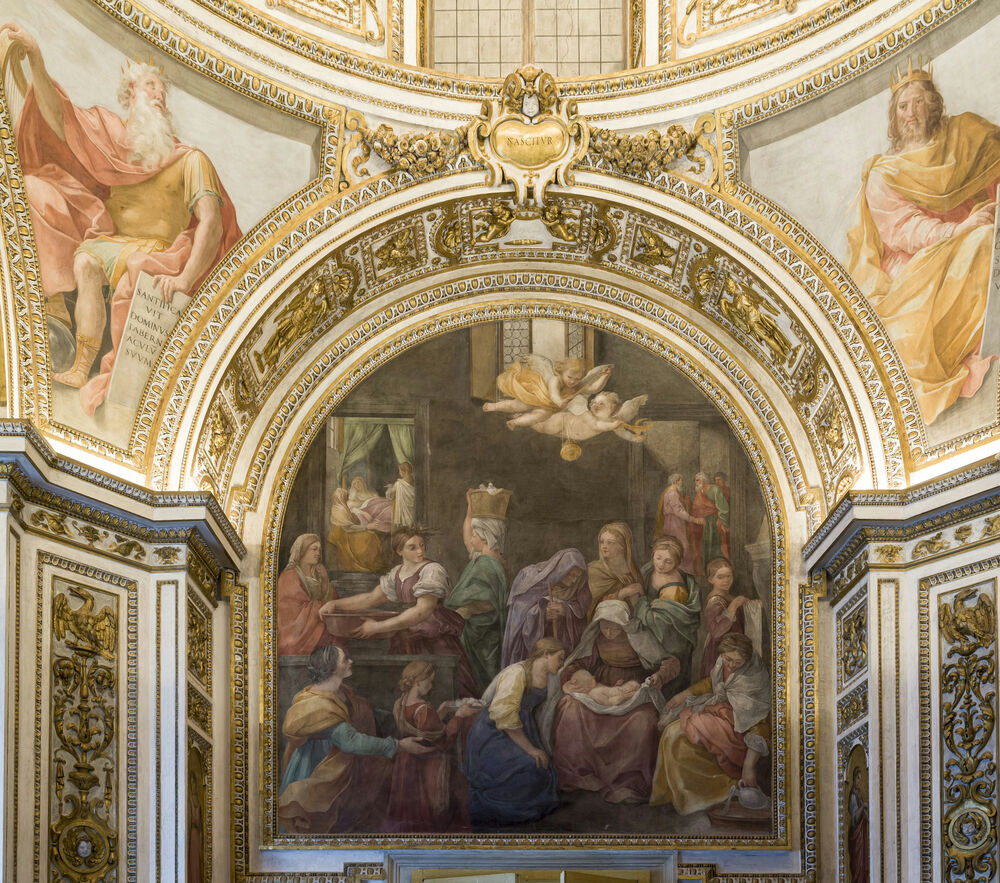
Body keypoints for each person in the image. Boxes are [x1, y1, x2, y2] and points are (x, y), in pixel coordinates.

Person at [2, 23, 241, 412]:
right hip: (111, 240)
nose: (159, 94)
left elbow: (211, 224)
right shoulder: (108, 142)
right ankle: (78, 360)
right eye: (151, 87)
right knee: (75, 245)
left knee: (131, 265)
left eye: (162, 91)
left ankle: (105, 372)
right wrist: (37, 60)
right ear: (130, 94)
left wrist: (184, 278)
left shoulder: (190, 159)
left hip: (157, 252)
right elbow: (59, 118)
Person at [846, 64, 1000, 424]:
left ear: (933, 105)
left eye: (918, 103)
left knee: (986, 236)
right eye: (903, 106)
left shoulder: (960, 137)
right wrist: (959, 229)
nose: (911, 113)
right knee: (982, 241)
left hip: (968, 231)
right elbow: (906, 229)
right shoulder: (883, 173)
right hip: (919, 262)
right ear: (894, 115)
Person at [278, 645, 432, 833]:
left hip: (344, 763)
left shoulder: (340, 691)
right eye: (345, 660)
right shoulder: (317, 705)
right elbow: (350, 741)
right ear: (332, 669)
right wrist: (398, 745)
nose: (350, 661)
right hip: (319, 767)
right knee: (319, 824)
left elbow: (357, 710)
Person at [321, 527, 478, 698]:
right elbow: (371, 598)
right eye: (412, 547)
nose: (420, 551)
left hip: (433, 636)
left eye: (422, 545)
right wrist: (335, 604)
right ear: (399, 551)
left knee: (444, 684)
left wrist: (378, 627)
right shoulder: (397, 572)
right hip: (406, 633)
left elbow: (422, 611)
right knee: (407, 686)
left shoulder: (432, 570)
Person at [552, 600, 679, 804]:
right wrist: (574, 678)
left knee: (644, 720)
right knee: (569, 707)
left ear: (624, 624)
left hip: (633, 689)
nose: (609, 631)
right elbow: (577, 663)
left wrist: (659, 677)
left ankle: (628, 783)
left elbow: (671, 663)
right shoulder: (596, 639)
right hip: (601, 686)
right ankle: (580, 774)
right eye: (604, 626)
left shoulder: (639, 637)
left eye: (614, 626)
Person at [651, 633, 770, 815]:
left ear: (747, 659)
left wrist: (749, 765)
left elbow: (759, 723)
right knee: (670, 733)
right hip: (715, 716)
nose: (731, 665)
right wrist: (682, 695)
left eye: (737, 662)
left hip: (737, 733)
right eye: (728, 659)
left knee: (677, 739)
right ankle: (681, 795)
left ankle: (721, 790)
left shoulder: (755, 678)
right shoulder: (722, 663)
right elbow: (712, 684)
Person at [464, 637, 566, 827]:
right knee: (529, 765)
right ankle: (502, 811)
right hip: (494, 731)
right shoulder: (517, 673)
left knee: (545, 768)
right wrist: (531, 749)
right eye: (560, 658)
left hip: (523, 727)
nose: (562, 664)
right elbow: (504, 716)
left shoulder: (551, 678)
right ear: (546, 654)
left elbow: (548, 707)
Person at [385, 660, 478, 832]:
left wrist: (441, 711)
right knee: (457, 789)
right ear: (418, 681)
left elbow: (423, 730)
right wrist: (459, 716)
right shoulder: (424, 709)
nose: (432, 685)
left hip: (406, 761)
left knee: (408, 806)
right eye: (430, 681)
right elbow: (443, 741)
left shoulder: (400, 703)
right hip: (425, 763)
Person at [617, 535, 701, 698]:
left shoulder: (675, 589)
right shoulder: (649, 570)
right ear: (653, 555)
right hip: (651, 640)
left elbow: (659, 622)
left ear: (677, 563)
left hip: (671, 644)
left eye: (668, 561)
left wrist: (638, 601)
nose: (661, 564)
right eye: (658, 558)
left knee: (667, 691)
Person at [444, 491, 509, 693]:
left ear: (484, 536)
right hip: (481, 631)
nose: (470, 539)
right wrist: (470, 507)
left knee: (478, 679)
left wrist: (462, 612)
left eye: (474, 535)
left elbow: (488, 602)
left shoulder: (486, 564)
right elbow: (467, 539)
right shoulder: (491, 558)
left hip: (480, 635)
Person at [502, 548, 590, 667]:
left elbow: (581, 616)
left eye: (577, 576)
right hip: (536, 648)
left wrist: (565, 610)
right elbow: (519, 613)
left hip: (560, 649)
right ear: (561, 569)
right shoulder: (533, 579)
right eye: (571, 575)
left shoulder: (577, 588)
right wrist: (542, 614)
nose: (574, 580)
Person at [483, 354, 613, 427]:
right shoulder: (555, 380)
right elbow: (554, 394)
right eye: (570, 377)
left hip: (549, 407)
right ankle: (494, 406)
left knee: (539, 417)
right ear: (561, 372)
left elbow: (594, 388)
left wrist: (604, 377)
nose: (573, 381)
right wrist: (559, 401)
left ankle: (515, 422)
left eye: (577, 379)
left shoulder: (578, 385)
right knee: (516, 405)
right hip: (537, 397)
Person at [276, 533, 341, 656]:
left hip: (317, 625)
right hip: (297, 633)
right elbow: (293, 612)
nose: (318, 553)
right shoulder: (289, 576)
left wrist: (325, 581)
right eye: (314, 549)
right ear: (302, 551)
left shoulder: (319, 574)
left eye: (319, 550)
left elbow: (333, 600)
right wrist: (322, 606)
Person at [701, 556, 749, 678]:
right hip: (720, 650)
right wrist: (733, 606)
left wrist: (752, 605)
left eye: (729, 576)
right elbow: (716, 631)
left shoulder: (729, 596)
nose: (726, 580)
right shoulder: (715, 601)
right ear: (711, 579)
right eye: (720, 577)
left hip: (735, 647)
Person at [586, 521, 643, 618]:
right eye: (602, 542)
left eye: (610, 542)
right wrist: (620, 594)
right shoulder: (594, 570)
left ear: (622, 546)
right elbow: (589, 605)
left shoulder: (632, 570)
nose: (604, 546)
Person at [654, 474, 703, 573]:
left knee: (678, 545)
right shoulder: (672, 493)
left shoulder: (672, 492)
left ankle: (679, 570)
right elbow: (678, 511)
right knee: (681, 546)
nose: (682, 482)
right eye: (681, 480)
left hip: (675, 521)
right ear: (676, 481)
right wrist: (693, 519)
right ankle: (682, 571)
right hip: (674, 522)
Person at [690, 472, 730, 576]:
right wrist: (697, 518)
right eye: (695, 480)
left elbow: (723, 507)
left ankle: (718, 570)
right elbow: (695, 509)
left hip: (714, 522)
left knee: (716, 546)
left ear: (703, 480)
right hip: (704, 525)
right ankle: (707, 570)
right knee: (705, 547)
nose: (695, 483)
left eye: (697, 480)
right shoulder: (700, 492)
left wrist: (722, 521)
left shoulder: (715, 489)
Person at [562, 669, 641, 707]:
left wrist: (616, 686)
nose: (594, 677)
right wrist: (624, 697)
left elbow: (608, 690)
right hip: (621, 695)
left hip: (620, 689)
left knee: (634, 683)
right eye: (591, 678)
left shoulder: (596, 687)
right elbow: (609, 703)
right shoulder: (594, 694)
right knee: (636, 689)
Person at [848, 767, 870, 882]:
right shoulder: (853, 796)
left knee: (862, 864)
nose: (859, 781)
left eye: (860, 778)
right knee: (857, 865)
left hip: (862, 835)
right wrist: (863, 806)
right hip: (856, 836)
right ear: (853, 778)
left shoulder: (859, 793)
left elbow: (864, 815)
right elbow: (855, 819)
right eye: (857, 778)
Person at [386, 461, 416, 529]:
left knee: (403, 528)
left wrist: (390, 488)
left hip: (402, 513)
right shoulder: (414, 482)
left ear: (404, 472)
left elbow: (391, 496)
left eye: (400, 471)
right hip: (412, 510)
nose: (399, 473)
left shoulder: (399, 484)